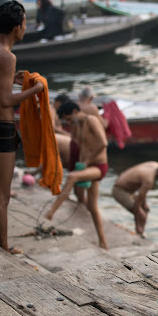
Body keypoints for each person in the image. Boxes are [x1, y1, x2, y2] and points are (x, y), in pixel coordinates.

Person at [0, 0, 44, 254]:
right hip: (2, 129)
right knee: (2, 195)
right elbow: (5, 100)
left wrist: (6, 80)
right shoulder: (7, 55)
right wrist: (34, 90)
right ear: (17, 27)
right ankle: (3, 247)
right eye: (24, 22)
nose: (25, 26)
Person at [45, 101, 108, 249]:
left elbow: (103, 143)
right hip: (87, 166)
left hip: (98, 166)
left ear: (74, 111)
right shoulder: (78, 126)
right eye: (66, 121)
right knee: (93, 207)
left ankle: (51, 213)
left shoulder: (91, 120)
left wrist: (87, 161)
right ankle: (103, 243)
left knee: (72, 177)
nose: (68, 122)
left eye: (68, 119)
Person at [112, 161, 158, 237]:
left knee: (145, 209)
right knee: (141, 214)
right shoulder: (149, 180)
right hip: (120, 190)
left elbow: (142, 193)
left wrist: (144, 204)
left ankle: (140, 231)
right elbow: (137, 203)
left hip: (130, 190)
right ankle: (139, 232)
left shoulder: (155, 164)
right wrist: (140, 213)